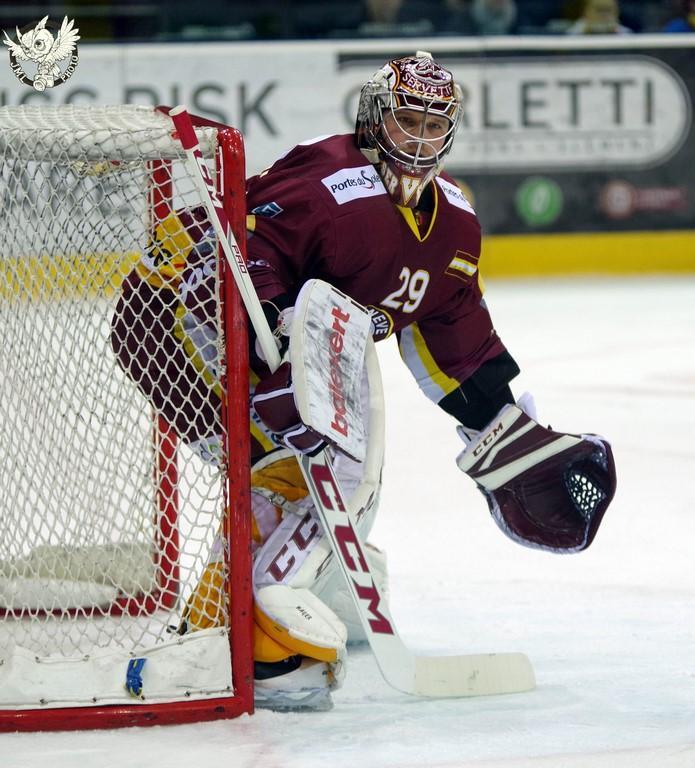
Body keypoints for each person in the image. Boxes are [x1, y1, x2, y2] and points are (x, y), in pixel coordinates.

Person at [111, 52, 616, 711]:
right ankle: (240, 638)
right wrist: (266, 361)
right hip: (177, 314)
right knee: (295, 470)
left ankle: (336, 594)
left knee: (334, 474)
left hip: (293, 339)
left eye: (435, 127)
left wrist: (502, 427)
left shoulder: (455, 223)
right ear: (375, 118)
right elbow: (243, 247)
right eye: (407, 120)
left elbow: (450, 322)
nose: (421, 139)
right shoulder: (331, 179)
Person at [566, 0, 633, 33]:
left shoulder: (626, 34)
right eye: (599, 10)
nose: (604, 15)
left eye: (608, 10)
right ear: (586, 12)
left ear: (617, 12)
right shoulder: (573, 32)